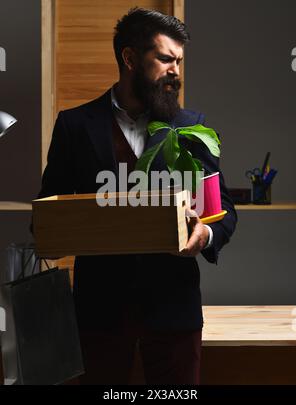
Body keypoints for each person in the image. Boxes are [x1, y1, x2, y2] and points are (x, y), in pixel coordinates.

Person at [36, 8, 237, 385]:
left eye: (178, 60)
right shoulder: (75, 126)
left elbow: (222, 209)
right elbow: (47, 214)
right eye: (165, 59)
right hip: (100, 316)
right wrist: (55, 232)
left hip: (174, 312)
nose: (175, 70)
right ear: (129, 58)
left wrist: (204, 236)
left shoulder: (192, 127)